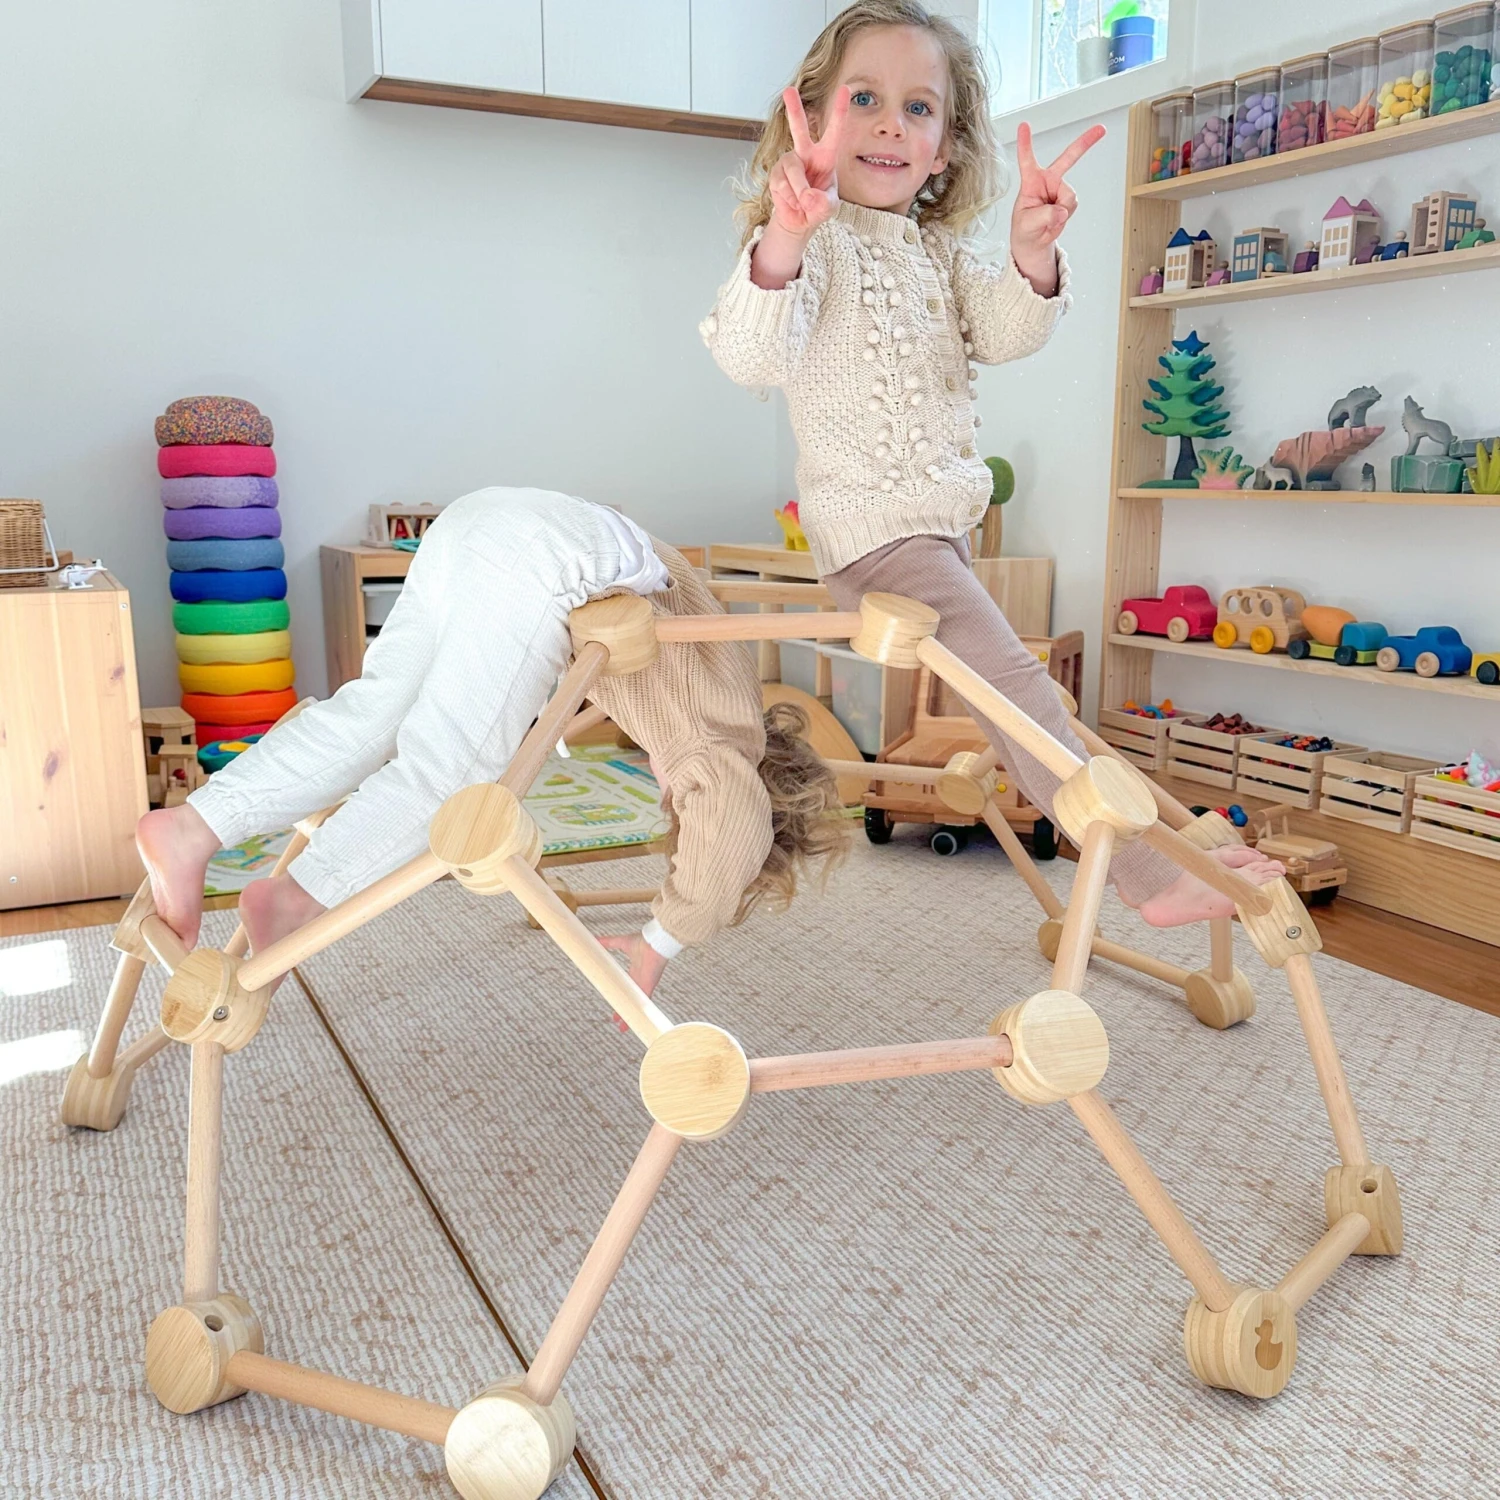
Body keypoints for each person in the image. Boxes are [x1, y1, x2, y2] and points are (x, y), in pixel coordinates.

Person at [700, 1, 1281, 924]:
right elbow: (750, 354)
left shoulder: (935, 256)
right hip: (877, 540)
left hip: (937, 535)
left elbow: (1009, 331)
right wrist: (786, 236)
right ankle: (1148, 878)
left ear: (946, 146)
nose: (892, 123)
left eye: (919, 108)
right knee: (1019, 694)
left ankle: (1156, 847)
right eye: (865, 98)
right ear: (812, 115)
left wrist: (1030, 252)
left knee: (1022, 701)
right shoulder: (811, 248)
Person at [137, 487, 844, 997]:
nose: (669, 791)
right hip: (556, 557)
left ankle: (196, 826)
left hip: (480, 520)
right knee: (454, 775)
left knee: (375, 713)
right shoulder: (720, 748)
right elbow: (732, 825)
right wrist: (662, 941)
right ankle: (300, 898)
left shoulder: (723, 688)